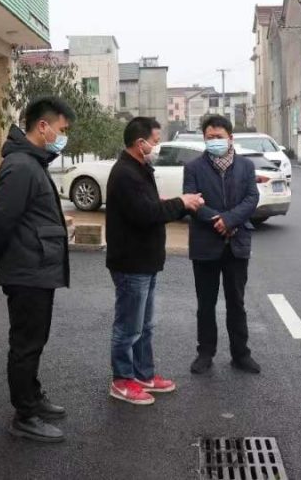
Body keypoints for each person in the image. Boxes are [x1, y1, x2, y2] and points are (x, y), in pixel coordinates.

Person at [0, 96, 74, 443]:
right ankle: (24, 415)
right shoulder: (21, 165)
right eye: (62, 129)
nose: (63, 137)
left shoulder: (32, 162)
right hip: (27, 270)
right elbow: (0, 219)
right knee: (25, 344)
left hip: (37, 266)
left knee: (34, 341)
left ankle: (32, 397)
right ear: (43, 126)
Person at [105, 117, 205, 405]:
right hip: (131, 263)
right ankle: (122, 380)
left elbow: (151, 206)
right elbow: (146, 214)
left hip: (145, 261)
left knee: (145, 326)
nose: (157, 146)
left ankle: (143, 374)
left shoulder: (140, 169)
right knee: (129, 327)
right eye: (155, 141)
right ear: (141, 143)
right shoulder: (125, 173)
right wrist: (181, 202)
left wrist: (177, 203)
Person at [184, 115, 260, 375]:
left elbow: (251, 198)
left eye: (219, 137)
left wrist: (229, 220)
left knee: (236, 302)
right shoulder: (193, 168)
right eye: (210, 137)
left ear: (230, 138)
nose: (214, 141)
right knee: (205, 304)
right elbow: (192, 202)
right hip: (205, 244)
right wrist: (218, 221)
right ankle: (205, 353)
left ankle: (241, 354)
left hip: (237, 244)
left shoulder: (246, 166)